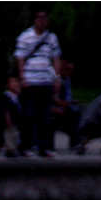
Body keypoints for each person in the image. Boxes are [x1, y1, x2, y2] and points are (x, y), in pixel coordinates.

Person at [14, 10, 62, 157]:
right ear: (35, 20)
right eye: (39, 18)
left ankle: (44, 147)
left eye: (45, 18)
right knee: (29, 115)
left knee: (45, 117)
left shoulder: (52, 38)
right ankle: (25, 146)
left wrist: (57, 77)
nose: (42, 21)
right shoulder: (25, 37)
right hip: (30, 80)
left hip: (45, 80)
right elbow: (20, 58)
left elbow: (56, 58)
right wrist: (22, 78)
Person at [51, 60, 81, 152]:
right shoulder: (57, 80)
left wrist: (70, 102)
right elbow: (54, 99)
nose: (70, 72)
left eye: (72, 70)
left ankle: (75, 142)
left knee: (76, 114)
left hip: (65, 107)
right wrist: (67, 104)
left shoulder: (67, 79)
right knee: (71, 115)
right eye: (68, 69)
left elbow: (67, 97)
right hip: (54, 108)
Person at [1, 75, 23, 157]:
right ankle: (10, 149)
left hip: (16, 120)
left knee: (15, 134)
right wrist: (7, 118)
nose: (15, 84)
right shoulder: (7, 96)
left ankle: (14, 148)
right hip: (10, 120)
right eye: (12, 82)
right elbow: (6, 110)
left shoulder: (17, 96)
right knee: (9, 134)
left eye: (16, 82)